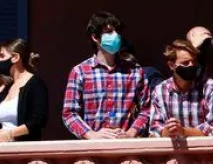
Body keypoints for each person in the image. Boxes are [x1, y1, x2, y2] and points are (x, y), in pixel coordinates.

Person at [62, 11, 150, 139]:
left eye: (117, 32)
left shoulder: (135, 71)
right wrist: (91, 134)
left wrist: (131, 133)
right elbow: (69, 113)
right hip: (93, 149)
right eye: (109, 32)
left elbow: (147, 109)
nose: (115, 36)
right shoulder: (80, 72)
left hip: (126, 148)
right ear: (95, 37)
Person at [0, 38, 48, 142]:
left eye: (2, 56)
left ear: (15, 57)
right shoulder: (10, 86)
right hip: (3, 150)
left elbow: (38, 120)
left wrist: (11, 134)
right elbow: (6, 125)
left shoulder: (35, 84)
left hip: (22, 150)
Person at [150, 39, 213, 137]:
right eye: (185, 63)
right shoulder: (160, 91)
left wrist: (183, 132)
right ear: (172, 66)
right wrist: (168, 130)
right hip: (172, 150)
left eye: (194, 61)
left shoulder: (210, 87)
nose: (191, 65)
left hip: (203, 149)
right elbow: (155, 128)